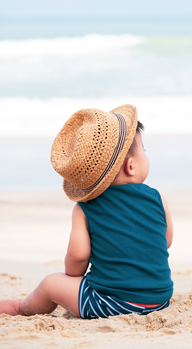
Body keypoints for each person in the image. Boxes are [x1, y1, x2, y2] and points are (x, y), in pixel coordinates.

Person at [0, 104, 173, 319]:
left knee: (50, 284)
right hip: (160, 301)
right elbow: (165, 242)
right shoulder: (158, 198)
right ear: (131, 166)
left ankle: (20, 308)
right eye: (144, 152)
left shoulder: (85, 207)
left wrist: (74, 275)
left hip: (110, 304)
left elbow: (78, 257)